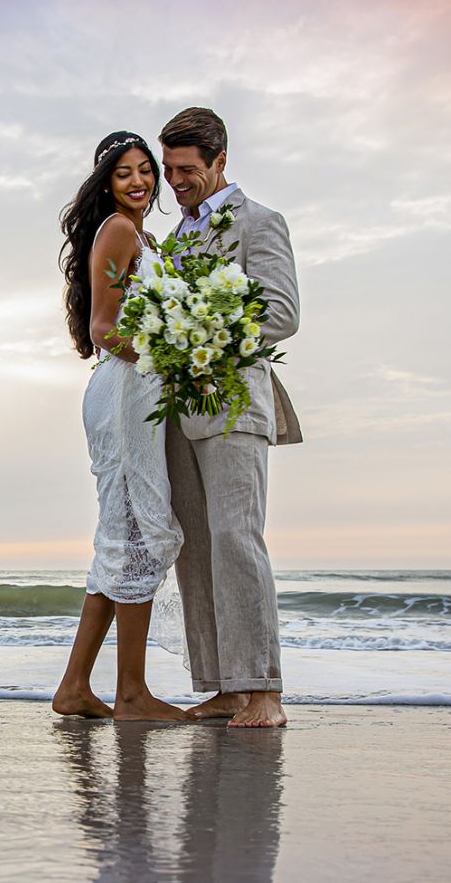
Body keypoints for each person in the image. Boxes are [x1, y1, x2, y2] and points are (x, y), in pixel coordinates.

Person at [158, 107, 302, 729]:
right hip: (179, 412)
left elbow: (281, 313)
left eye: (187, 169)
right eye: (168, 170)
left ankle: (264, 690)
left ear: (220, 162)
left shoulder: (260, 223)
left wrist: (200, 329)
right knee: (195, 550)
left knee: (238, 541)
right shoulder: (177, 238)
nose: (176, 182)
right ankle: (221, 686)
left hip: (235, 403)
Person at [52, 131, 193, 723]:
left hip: (136, 391)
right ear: (106, 182)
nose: (138, 182)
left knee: (124, 535)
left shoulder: (138, 235)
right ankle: (130, 694)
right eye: (123, 173)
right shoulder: (117, 229)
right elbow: (105, 329)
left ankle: (77, 688)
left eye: (145, 171)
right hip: (124, 393)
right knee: (136, 533)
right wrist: (177, 357)